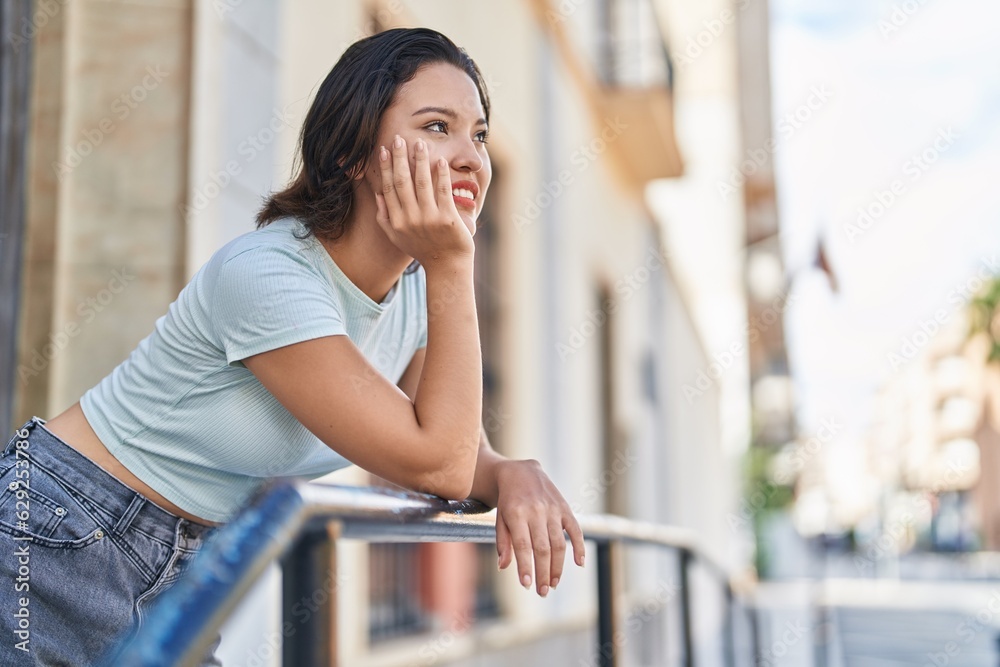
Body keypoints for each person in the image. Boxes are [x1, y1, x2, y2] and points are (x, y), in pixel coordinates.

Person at [0, 27, 585, 666]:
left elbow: (441, 442)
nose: (473, 156)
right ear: (355, 152)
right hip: (59, 531)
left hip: (182, 558)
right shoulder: (270, 276)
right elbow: (433, 463)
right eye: (437, 127)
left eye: (478, 133)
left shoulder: (419, 289)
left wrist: (509, 472)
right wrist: (453, 263)